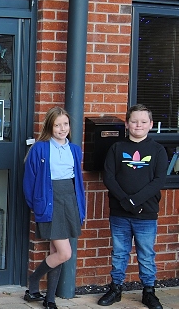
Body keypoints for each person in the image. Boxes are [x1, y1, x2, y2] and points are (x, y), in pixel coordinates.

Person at [97, 104, 167, 309]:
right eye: (134, 121)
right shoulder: (117, 148)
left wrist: (135, 201)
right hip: (120, 213)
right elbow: (109, 177)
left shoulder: (158, 150)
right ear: (127, 124)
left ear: (151, 124)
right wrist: (125, 201)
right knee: (119, 252)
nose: (139, 125)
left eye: (144, 122)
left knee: (146, 254)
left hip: (146, 214)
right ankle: (115, 288)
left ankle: (149, 292)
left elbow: (158, 180)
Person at [22, 107, 85, 309]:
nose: (62, 128)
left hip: (69, 201)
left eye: (65, 124)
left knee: (55, 250)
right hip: (50, 200)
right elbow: (29, 180)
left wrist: (79, 206)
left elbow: (78, 181)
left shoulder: (74, 149)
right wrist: (37, 204)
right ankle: (33, 280)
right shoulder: (40, 148)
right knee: (64, 253)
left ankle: (49, 298)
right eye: (57, 125)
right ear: (50, 126)